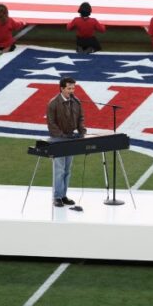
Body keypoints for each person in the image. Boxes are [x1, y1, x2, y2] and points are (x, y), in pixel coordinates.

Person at [46, 77, 86, 209]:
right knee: (59, 170)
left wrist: (82, 131)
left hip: (71, 138)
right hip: (58, 139)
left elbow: (80, 118)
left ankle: (63, 195)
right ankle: (57, 197)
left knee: (67, 170)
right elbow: (51, 124)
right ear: (62, 88)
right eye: (69, 88)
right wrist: (62, 136)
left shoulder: (76, 101)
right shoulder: (53, 103)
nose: (72, 91)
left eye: (73, 88)